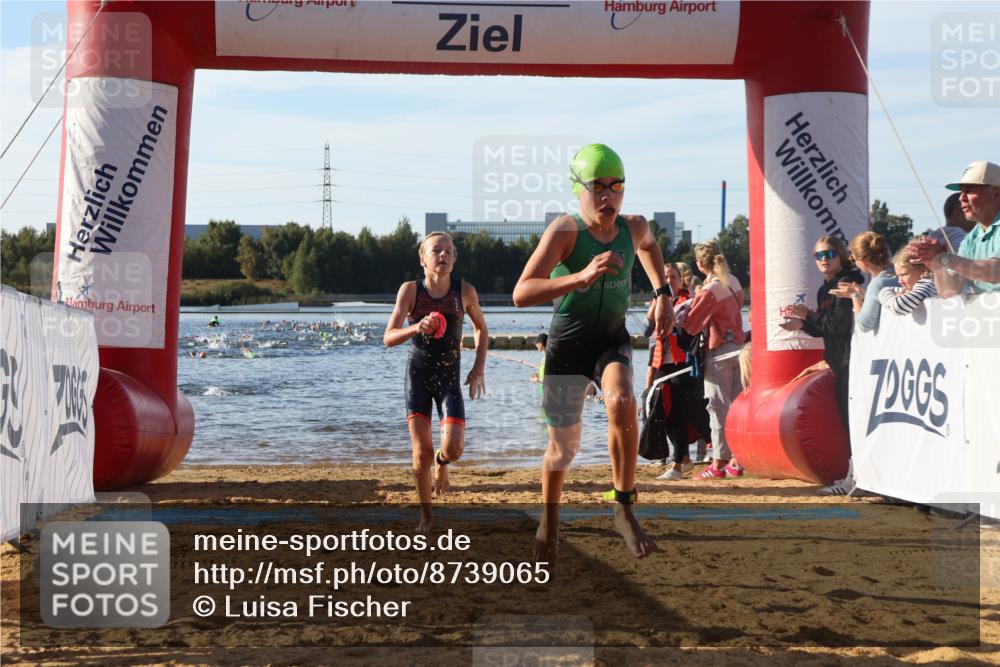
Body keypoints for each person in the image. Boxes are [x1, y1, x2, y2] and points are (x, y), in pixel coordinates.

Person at [512, 143, 672, 565]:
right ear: (578, 189)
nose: (608, 197)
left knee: (622, 401)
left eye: (616, 186)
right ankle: (549, 519)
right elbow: (521, 292)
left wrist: (663, 293)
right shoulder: (566, 232)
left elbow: (652, 248)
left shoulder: (634, 227)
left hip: (610, 339)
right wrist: (579, 277)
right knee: (562, 450)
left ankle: (623, 507)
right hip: (567, 346)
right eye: (598, 187)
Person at [384, 232, 488, 534]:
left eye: (449, 252)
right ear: (422, 258)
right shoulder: (410, 291)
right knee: (421, 454)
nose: (443, 255)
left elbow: (482, 329)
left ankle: (443, 466)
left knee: (453, 449)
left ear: (454, 260)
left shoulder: (464, 291)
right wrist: (417, 326)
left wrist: (478, 368)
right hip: (417, 377)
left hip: (448, 379)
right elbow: (389, 337)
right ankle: (426, 517)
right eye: (436, 251)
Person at [779, 235, 864, 495]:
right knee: (847, 421)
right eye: (819, 256)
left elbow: (840, 325)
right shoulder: (824, 288)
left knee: (855, 422)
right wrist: (801, 324)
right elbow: (823, 328)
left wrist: (808, 315)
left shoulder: (849, 281)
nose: (824, 260)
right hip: (839, 361)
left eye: (830, 254)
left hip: (854, 360)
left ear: (841, 255)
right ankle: (854, 476)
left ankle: (856, 478)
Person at [680, 240, 746, 479]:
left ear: (699, 264)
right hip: (739, 348)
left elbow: (692, 324)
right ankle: (737, 459)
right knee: (736, 405)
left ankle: (718, 462)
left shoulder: (710, 289)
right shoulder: (734, 282)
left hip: (718, 351)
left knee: (717, 408)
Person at [644, 263, 711, 480]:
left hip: (682, 362)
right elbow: (648, 332)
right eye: (664, 277)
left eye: (673, 276)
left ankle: (679, 462)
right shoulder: (659, 300)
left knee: (682, 412)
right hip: (662, 362)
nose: (669, 281)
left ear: (680, 279)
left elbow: (691, 330)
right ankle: (681, 459)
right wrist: (654, 307)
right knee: (663, 410)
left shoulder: (686, 300)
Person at [911, 161, 1000, 297]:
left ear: (996, 193)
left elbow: (995, 272)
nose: (961, 198)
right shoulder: (972, 237)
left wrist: (945, 259)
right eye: (961, 191)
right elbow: (949, 292)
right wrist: (937, 264)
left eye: (969, 191)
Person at [829, 231, 897, 333]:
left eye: (853, 259)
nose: (854, 263)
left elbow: (865, 325)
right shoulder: (901, 274)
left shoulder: (878, 283)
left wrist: (855, 296)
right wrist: (865, 295)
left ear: (863, 261)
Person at [879, 240, 937, 315]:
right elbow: (884, 291)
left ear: (923, 269)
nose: (900, 281)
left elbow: (898, 306)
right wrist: (896, 298)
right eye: (898, 276)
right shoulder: (911, 288)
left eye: (904, 274)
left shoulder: (928, 285)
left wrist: (896, 300)